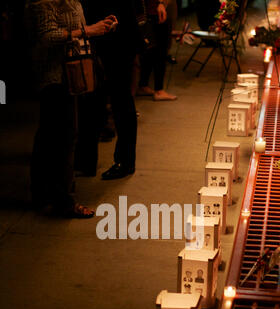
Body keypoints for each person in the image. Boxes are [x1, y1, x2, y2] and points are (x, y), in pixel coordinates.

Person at [25, 0, 114, 217]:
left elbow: (75, 31)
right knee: (63, 138)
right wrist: (87, 30)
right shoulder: (44, 2)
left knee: (48, 137)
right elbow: (46, 36)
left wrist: (98, 27)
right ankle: (62, 201)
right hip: (54, 76)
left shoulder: (71, 0)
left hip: (69, 74)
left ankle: (44, 195)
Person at [83, 0, 140, 180]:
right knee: (97, 101)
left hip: (116, 40)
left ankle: (124, 161)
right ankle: (88, 161)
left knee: (120, 102)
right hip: (104, 38)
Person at [138, 0, 177, 101]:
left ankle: (143, 85)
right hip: (156, 12)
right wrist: (160, 3)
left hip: (150, 12)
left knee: (150, 52)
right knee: (160, 52)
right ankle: (159, 90)